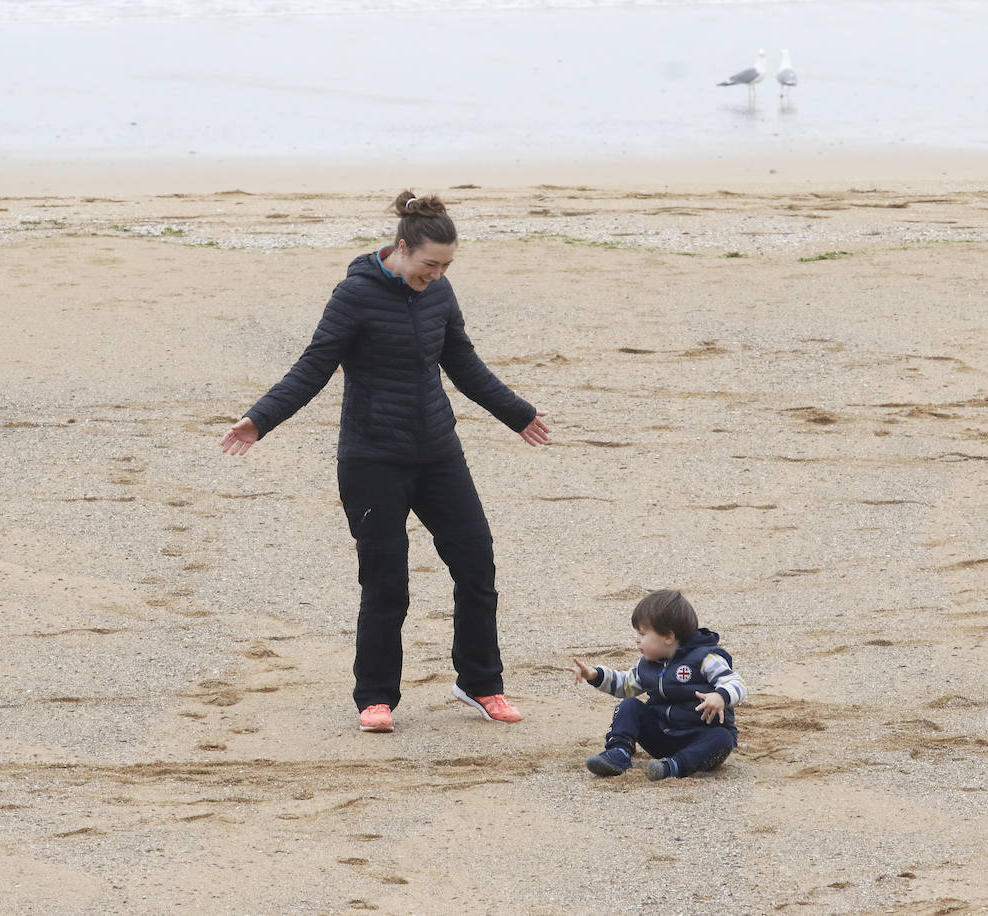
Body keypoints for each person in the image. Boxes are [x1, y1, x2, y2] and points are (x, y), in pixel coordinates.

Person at [220, 190, 551, 734]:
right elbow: (313, 366)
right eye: (429, 265)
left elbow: (464, 363)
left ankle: (480, 683)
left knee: (476, 566)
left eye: (446, 266)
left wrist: (515, 413)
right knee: (386, 582)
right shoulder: (355, 295)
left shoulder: (440, 295)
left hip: (439, 454)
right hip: (372, 460)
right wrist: (260, 420)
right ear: (401, 248)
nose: (437, 275)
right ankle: (376, 698)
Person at [567, 589, 746, 780]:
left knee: (722, 738)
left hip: (701, 738)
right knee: (629, 705)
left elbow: (736, 683)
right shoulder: (648, 665)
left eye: (643, 633)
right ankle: (618, 752)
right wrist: (595, 675)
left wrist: (721, 696)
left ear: (668, 637)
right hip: (663, 736)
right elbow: (626, 684)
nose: (637, 639)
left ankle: (673, 767)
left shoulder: (705, 658)